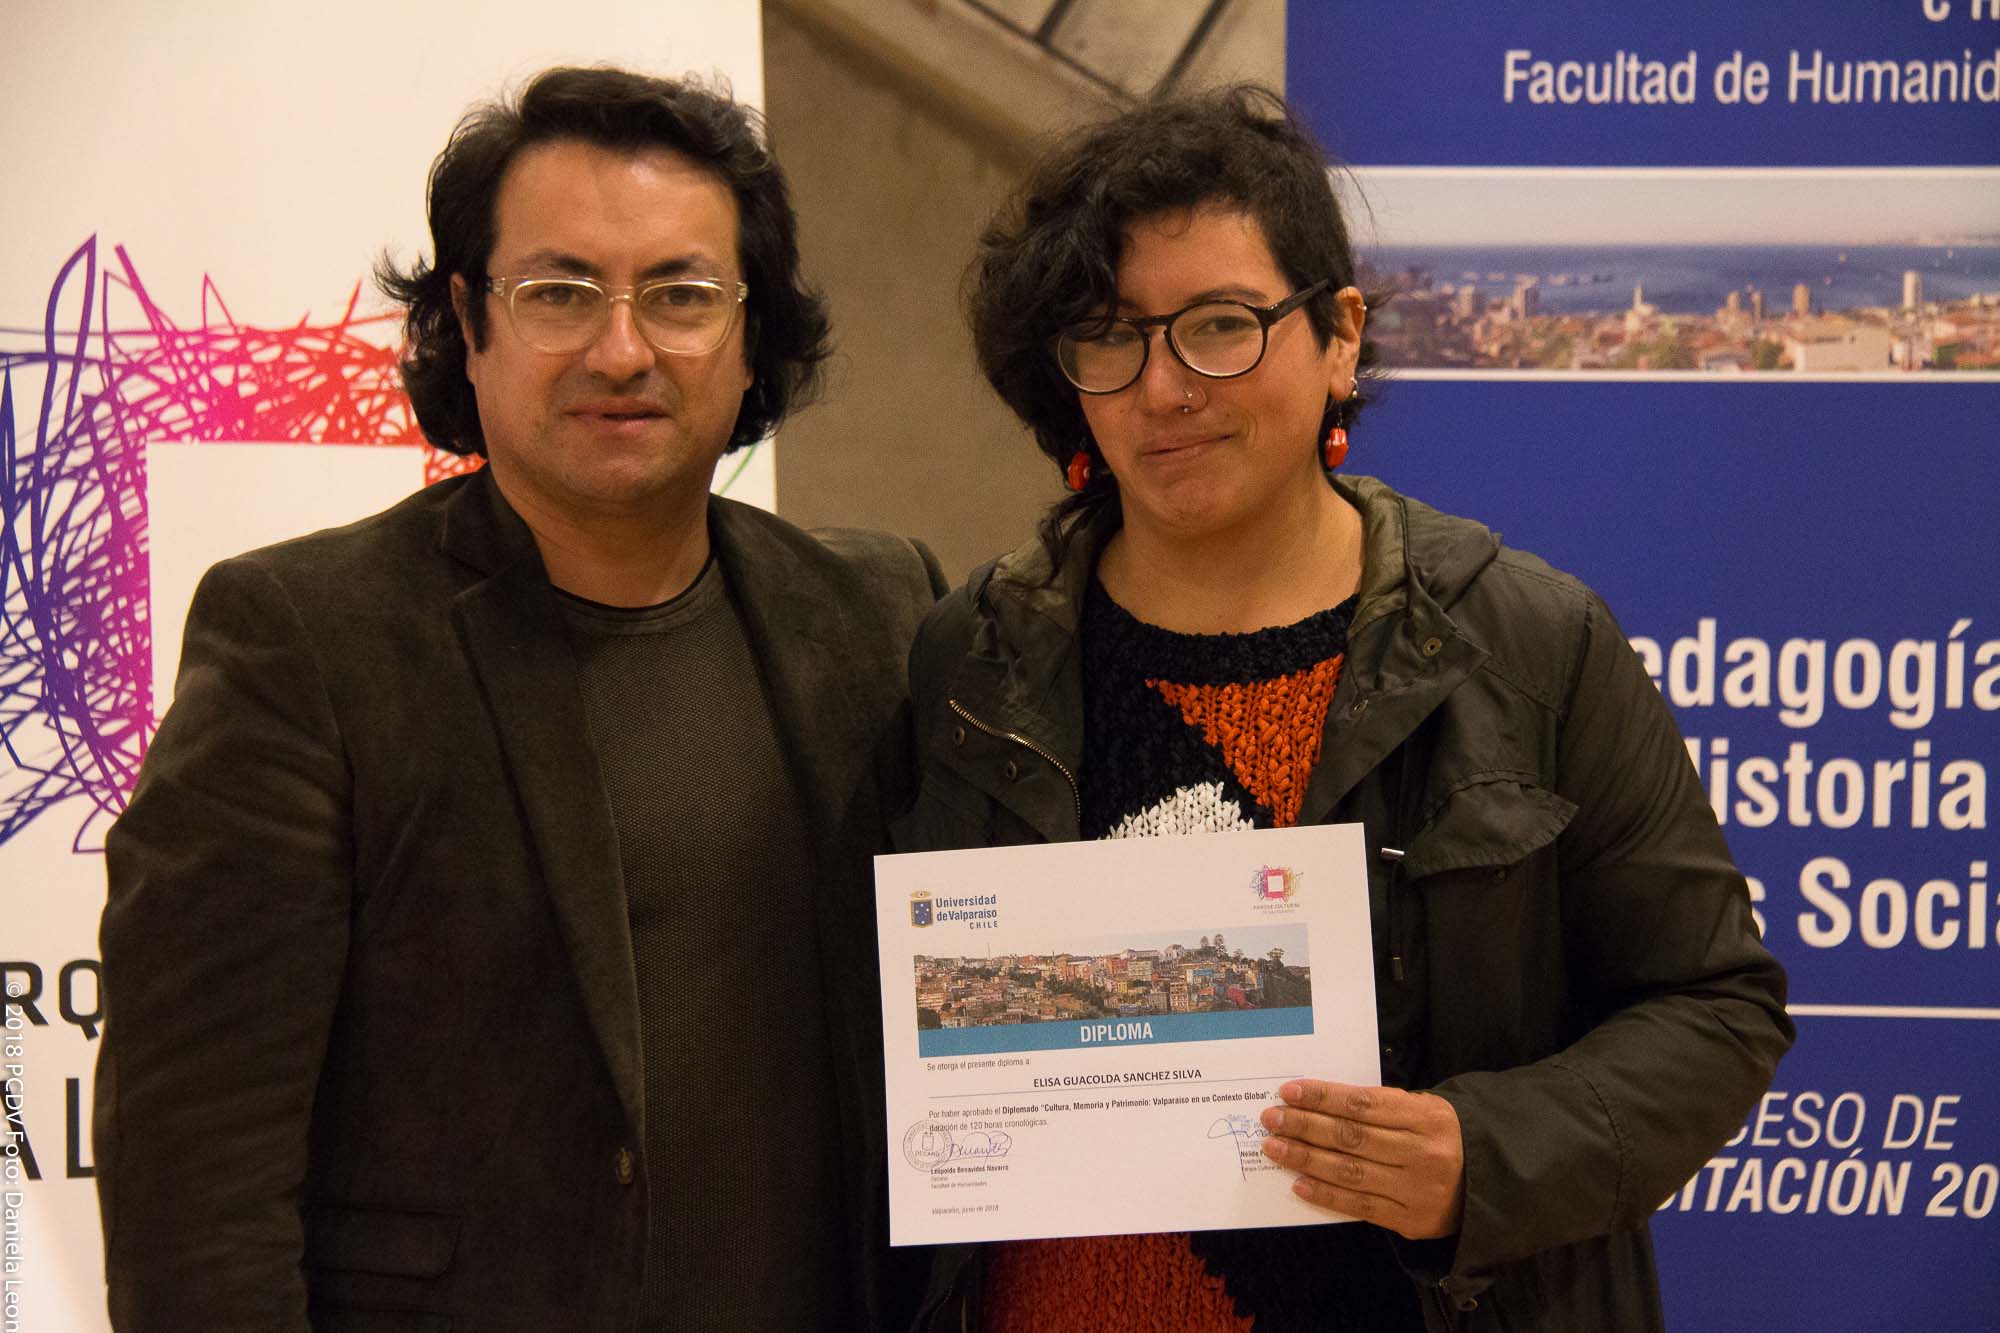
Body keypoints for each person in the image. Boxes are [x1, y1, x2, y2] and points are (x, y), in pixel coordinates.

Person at [893, 86, 1792, 1331]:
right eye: (1107, 337)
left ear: (1338, 334)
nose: (1165, 387)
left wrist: (1483, 1155)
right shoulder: (973, 657)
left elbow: (1716, 1008)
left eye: (1220, 325)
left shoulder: (1528, 647)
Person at [94, 67, 941, 1331]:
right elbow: (195, 1179)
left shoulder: (879, 613)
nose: (621, 349)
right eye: (558, 292)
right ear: (466, 322)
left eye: (681, 295)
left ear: (749, 334)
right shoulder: (305, 642)